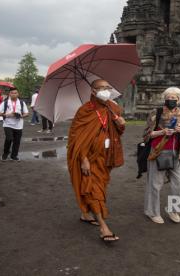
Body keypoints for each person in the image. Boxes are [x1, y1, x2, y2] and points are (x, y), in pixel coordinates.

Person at [67, 79, 126, 243]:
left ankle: (85, 214)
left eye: (108, 87)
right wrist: (83, 159)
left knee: (100, 186)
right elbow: (76, 138)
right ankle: (103, 227)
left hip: (106, 158)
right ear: (93, 91)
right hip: (89, 158)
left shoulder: (113, 108)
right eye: (101, 88)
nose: (106, 90)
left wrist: (121, 124)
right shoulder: (84, 111)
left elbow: (117, 133)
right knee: (93, 189)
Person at [144, 87, 180, 224]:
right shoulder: (156, 112)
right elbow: (147, 135)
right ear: (164, 98)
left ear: (179, 100)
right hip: (158, 151)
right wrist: (163, 131)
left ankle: (173, 209)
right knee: (155, 184)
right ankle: (152, 212)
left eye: (174, 98)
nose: (171, 100)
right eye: (168, 97)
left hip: (176, 153)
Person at [0, 87, 29, 161]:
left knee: (17, 141)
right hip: (8, 124)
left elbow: (27, 113)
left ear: (18, 94)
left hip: (19, 125)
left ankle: (14, 156)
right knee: (9, 138)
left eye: (15, 93)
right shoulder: (5, 102)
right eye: (12, 93)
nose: (14, 94)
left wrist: (21, 116)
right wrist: (6, 115)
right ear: (9, 94)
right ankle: (5, 153)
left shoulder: (22, 103)